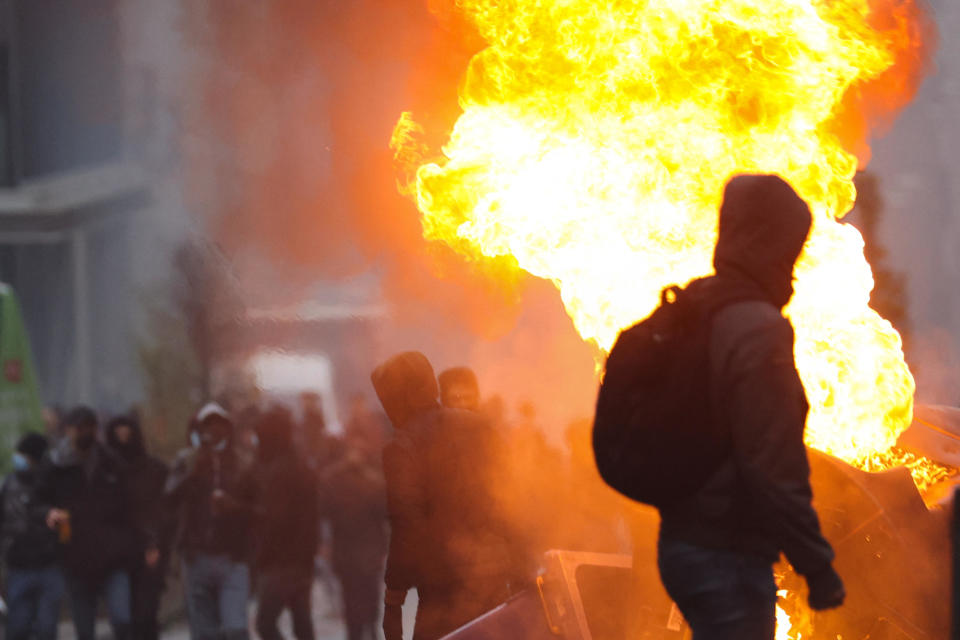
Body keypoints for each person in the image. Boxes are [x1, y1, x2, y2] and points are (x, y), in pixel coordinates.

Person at [655, 174, 845, 638]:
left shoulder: (695, 306)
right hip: (727, 553)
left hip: (680, 544)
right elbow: (773, 464)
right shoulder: (757, 330)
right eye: (790, 250)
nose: (794, 266)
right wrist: (817, 566)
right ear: (769, 244)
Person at [372, 351, 520, 640]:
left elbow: (406, 526)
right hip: (496, 582)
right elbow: (511, 498)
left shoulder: (403, 446)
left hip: (444, 592)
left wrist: (394, 597)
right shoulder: (481, 427)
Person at [39, 406, 138, 640]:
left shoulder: (110, 462)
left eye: (90, 427)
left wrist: (128, 545)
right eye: (79, 428)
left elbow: (130, 507)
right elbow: (38, 500)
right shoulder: (54, 465)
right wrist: (49, 513)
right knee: (84, 630)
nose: (85, 433)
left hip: (113, 559)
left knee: (123, 621)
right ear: (68, 430)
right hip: (76, 561)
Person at [165, 403, 256, 640]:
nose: (214, 433)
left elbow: (259, 510)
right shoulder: (186, 460)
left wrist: (233, 505)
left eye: (219, 427)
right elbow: (169, 498)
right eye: (208, 427)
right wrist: (193, 472)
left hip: (232, 557)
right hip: (197, 557)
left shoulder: (242, 462)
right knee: (205, 632)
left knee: (235, 629)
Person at [319, 414, 389, 640]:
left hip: (362, 550)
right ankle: (364, 633)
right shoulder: (337, 478)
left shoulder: (370, 479)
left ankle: (365, 633)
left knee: (363, 601)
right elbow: (325, 513)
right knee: (359, 601)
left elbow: (384, 515)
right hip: (353, 550)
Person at [252, 406, 319, 640]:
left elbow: (275, 519)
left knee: (265, 623)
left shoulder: (279, 471)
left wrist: (261, 557)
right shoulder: (302, 466)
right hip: (302, 561)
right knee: (302, 623)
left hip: (279, 562)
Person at [106, 416, 170, 640]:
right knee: (125, 618)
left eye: (127, 434)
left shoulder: (155, 470)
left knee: (146, 614)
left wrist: (154, 542)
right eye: (119, 435)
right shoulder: (105, 472)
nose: (124, 440)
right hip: (116, 553)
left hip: (148, 551)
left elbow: (162, 510)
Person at [0, 433, 63, 640]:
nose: (18, 459)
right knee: (17, 628)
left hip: (49, 565)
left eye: (24, 456)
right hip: (19, 567)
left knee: (46, 629)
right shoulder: (7, 485)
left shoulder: (53, 486)